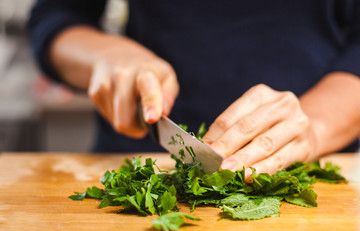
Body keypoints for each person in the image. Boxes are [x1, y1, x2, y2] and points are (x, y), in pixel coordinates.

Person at [27, 0, 360, 178]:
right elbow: (56, 15)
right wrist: (105, 54)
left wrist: (314, 127)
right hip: (136, 156)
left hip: (305, 162)